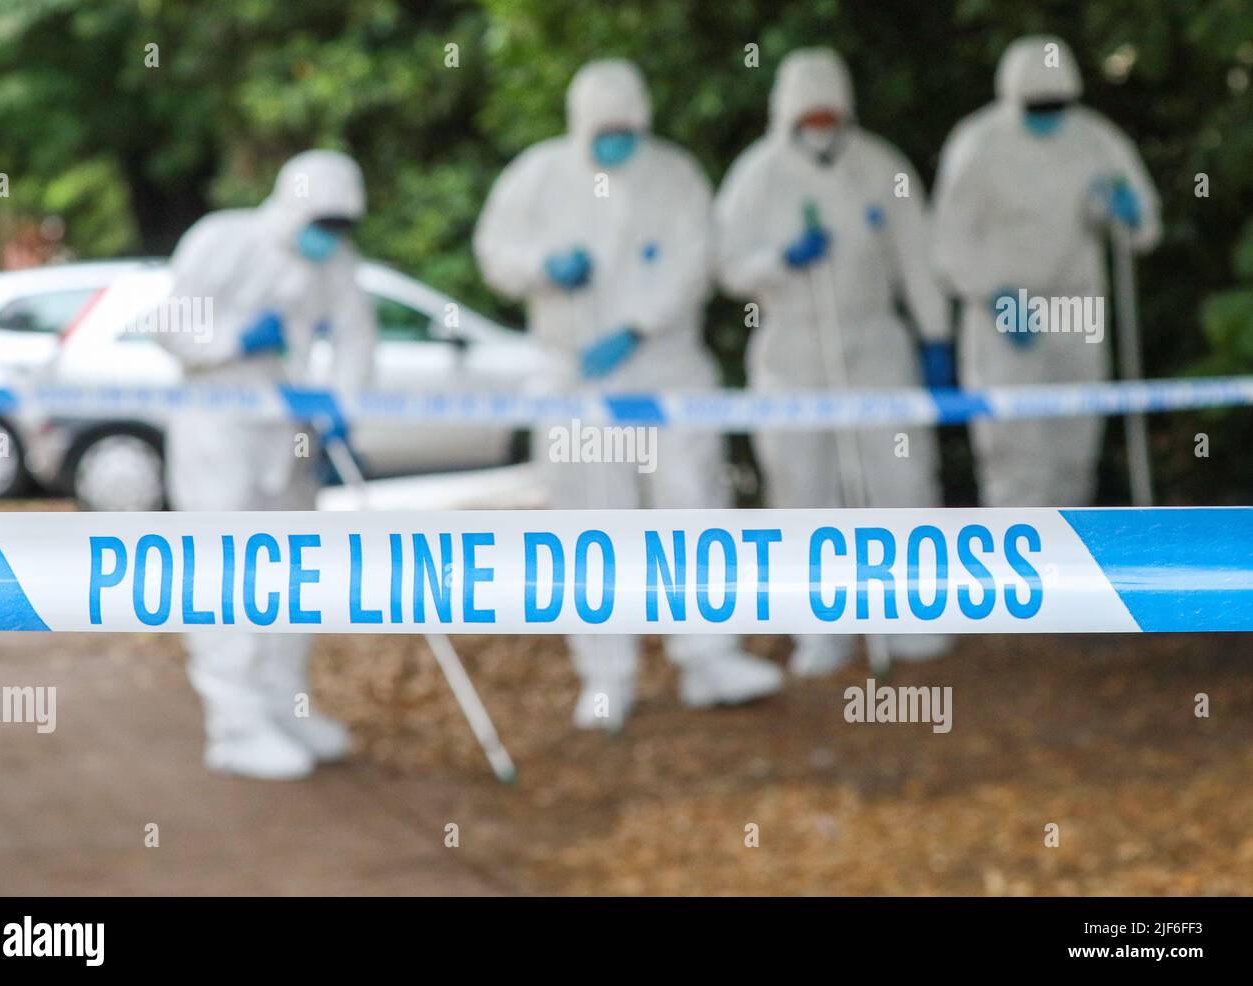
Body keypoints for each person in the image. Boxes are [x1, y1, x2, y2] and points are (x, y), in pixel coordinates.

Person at [474, 58, 783, 731]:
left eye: (627, 127)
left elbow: (695, 260)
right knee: (592, 520)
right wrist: (543, 269)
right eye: (603, 129)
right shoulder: (539, 175)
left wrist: (635, 326)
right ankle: (606, 675)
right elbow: (495, 252)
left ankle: (709, 656)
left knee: (693, 506)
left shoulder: (675, 176)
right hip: (573, 375)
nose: (617, 139)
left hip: (666, 369)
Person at [714, 47, 952, 676]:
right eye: (807, 112)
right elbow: (727, 264)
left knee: (900, 478)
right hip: (792, 351)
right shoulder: (757, 175)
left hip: (875, 345)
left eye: (828, 111)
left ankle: (912, 616)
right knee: (802, 488)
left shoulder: (883, 166)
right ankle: (822, 630)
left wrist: (936, 335)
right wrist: (780, 262)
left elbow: (917, 256)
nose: (819, 122)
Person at [156, 150, 376, 779]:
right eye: (322, 221)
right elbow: (171, 325)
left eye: (340, 225)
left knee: (292, 574)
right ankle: (235, 725)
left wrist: (344, 406)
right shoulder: (224, 240)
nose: (329, 235)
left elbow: (357, 335)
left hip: (291, 435)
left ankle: (285, 706)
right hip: (219, 429)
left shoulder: (333, 261)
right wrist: (235, 338)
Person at [932, 35, 1161, 507]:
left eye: (1055, 104)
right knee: (1014, 453)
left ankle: (1072, 570)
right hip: (1006, 312)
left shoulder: (1095, 139)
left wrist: (1130, 213)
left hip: (1077, 307)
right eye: (1035, 105)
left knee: (1075, 449)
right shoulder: (978, 143)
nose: (1046, 114)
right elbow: (948, 240)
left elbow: (1143, 228)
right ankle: (1016, 569)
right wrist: (994, 294)